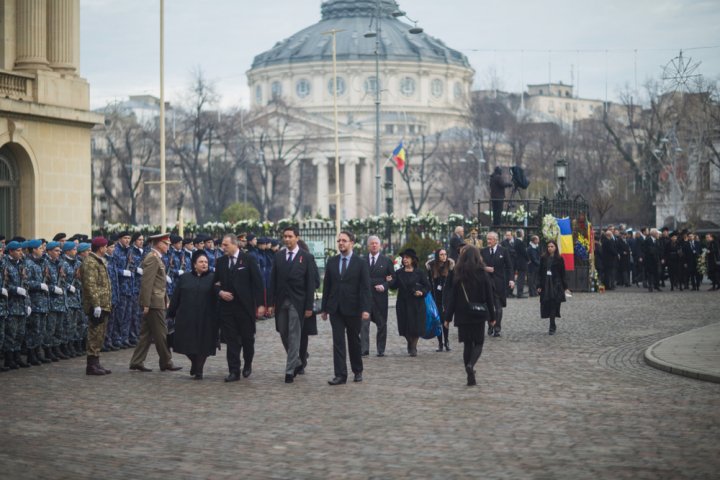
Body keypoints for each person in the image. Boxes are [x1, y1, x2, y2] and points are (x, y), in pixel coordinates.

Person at [320, 231, 371, 385]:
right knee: (338, 342)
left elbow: (365, 288)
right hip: (335, 308)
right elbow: (327, 286)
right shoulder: (332, 261)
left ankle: (357, 370)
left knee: (354, 340)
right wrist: (324, 308)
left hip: (353, 308)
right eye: (339, 241)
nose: (341, 243)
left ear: (352, 243)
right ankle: (340, 374)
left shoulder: (360, 263)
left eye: (344, 240)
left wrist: (366, 309)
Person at [268, 226, 316, 383]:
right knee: (283, 331)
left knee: (294, 334)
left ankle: (289, 371)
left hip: (298, 301)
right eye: (285, 236)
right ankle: (297, 361)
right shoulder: (279, 256)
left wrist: (309, 306)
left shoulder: (306, 257)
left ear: (297, 238)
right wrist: (270, 303)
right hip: (281, 301)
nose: (287, 239)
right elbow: (272, 281)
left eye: (290, 236)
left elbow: (310, 283)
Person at [214, 234, 265, 382]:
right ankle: (234, 371)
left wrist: (261, 304)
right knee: (231, 340)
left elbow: (258, 282)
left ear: (235, 244)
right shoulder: (221, 262)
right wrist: (220, 293)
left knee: (247, 339)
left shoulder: (248, 259)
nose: (223, 248)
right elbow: (215, 283)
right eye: (222, 245)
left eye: (226, 245)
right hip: (227, 308)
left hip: (244, 307)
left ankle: (248, 362)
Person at [443, 245, 496, 386]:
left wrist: (447, 317)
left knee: (467, 344)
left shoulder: (458, 274)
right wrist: (492, 317)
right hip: (478, 313)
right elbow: (489, 297)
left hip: (462, 314)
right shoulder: (482, 274)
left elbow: (452, 298)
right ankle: (471, 365)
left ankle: (469, 373)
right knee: (478, 342)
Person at [129, 233, 182, 373]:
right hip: (153, 303)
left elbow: (159, 283)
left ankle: (136, 361)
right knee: (161, 333)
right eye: (166, 244)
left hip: (157, 300)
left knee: (146, 334)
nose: (168, 247)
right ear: (159, 243)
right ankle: (166, 361)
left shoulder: (157, 258)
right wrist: (146, 304)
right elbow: (147, 283)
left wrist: (167, 299)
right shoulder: (152, 258)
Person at [167, 250, 218, 380]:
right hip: (187, 317)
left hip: (206, 318)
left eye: (206, 262)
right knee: (187, 344)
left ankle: (199, 370)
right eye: (201, 262)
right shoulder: (185, 278)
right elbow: (176, 297)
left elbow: (218, 298)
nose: (204, 264)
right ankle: (195, 363)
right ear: (194, 264)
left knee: (204, 346)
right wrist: (170, 314)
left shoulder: (213, 278)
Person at [388, 248, 431, 357]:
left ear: (412, 259)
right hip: (403, 303)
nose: (405, 259)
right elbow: (394, 286)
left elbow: (427, 286)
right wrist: (390, 281)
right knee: (405, 326)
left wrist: (421, 292)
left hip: (417, 303)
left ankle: (413, 347)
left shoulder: (419, 272)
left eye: (407, 257)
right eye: (403, 258)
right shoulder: (399, 272)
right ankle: (410, 343)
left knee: (416, 326)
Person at [80, 237, 113, 375]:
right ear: (100, 248)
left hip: (103, 304)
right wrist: (96, 304)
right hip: (96, 305)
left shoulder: (98, 261)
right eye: (105, 246)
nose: (107, 249)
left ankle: (96, 362)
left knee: (100, 335)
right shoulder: (90, 262)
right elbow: (90, 285)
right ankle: (91, 365)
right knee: (94, 334)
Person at [362, 235, 394, 357]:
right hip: (366, 297)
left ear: (380, 246)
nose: (374, 245)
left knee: (382, 324)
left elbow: (393, 278)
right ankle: (364, 349)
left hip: (380, 298)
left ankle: (381, 349)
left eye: (376, 243)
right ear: (368, 246)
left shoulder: (386, 261)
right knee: (364, 324)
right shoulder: (362, 260)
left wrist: (385, 285)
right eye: (372, 243)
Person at [2, 241, 30, 370]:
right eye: (18, 250)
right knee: (11, 334)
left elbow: (26, 285)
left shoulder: (21, 265)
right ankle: (9, 358)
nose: (21, 253)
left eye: (21, 250)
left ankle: (17, 357)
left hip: (22, 305)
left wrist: (28, 304)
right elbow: (4, 285)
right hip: (11, 305)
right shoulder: (5, 265)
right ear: (11, 251)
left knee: (20, 333)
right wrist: (15, 289)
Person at [480, 232, 514, 337]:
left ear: (496, 240)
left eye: (490, 239)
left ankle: (497, 328)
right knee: (487, 307)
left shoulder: (503, 251)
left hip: (499, 283)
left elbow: (509, 267)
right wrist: (485, 268)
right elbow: (477, 265)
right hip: (486, 283)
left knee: (498, 308)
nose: (488, 241)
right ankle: (490, 324)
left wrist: (511, 279)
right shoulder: (483, 251)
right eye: (487, 239)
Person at [537, 240, 570, 335]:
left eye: (552, 246)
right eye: (548, 246)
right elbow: (539, 272)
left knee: (554, 304)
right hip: (546, 284)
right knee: (548, 303)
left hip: (556, 284)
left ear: (555, 247)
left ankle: (552, 325)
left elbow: (562, 273)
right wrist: (539, 285)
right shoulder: (543, 258)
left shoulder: (559, 259)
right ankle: (552, 323)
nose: (550, 248)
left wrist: (565, 287)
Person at [426, 248, 454, 352]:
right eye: (441, 254)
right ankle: (440, 343)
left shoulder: (450, 267)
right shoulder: (433, 267)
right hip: (436, 298)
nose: (444, 256)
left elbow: (453, 282)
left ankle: (446, 341)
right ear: (438, 256)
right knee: (438, 321)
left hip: (446, 299)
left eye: (445, 254)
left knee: (445, 321)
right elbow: (429, 281)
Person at [513, 229, 529, 298]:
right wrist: (528, 259)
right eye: (523, 233)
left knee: (520, 278)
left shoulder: (516, 241)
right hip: (522, 262)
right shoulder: (520, 242)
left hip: (518, 262)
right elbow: (524, 252)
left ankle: (520, 292)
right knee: (521, 278)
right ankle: (520, 293)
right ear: (521, 234)